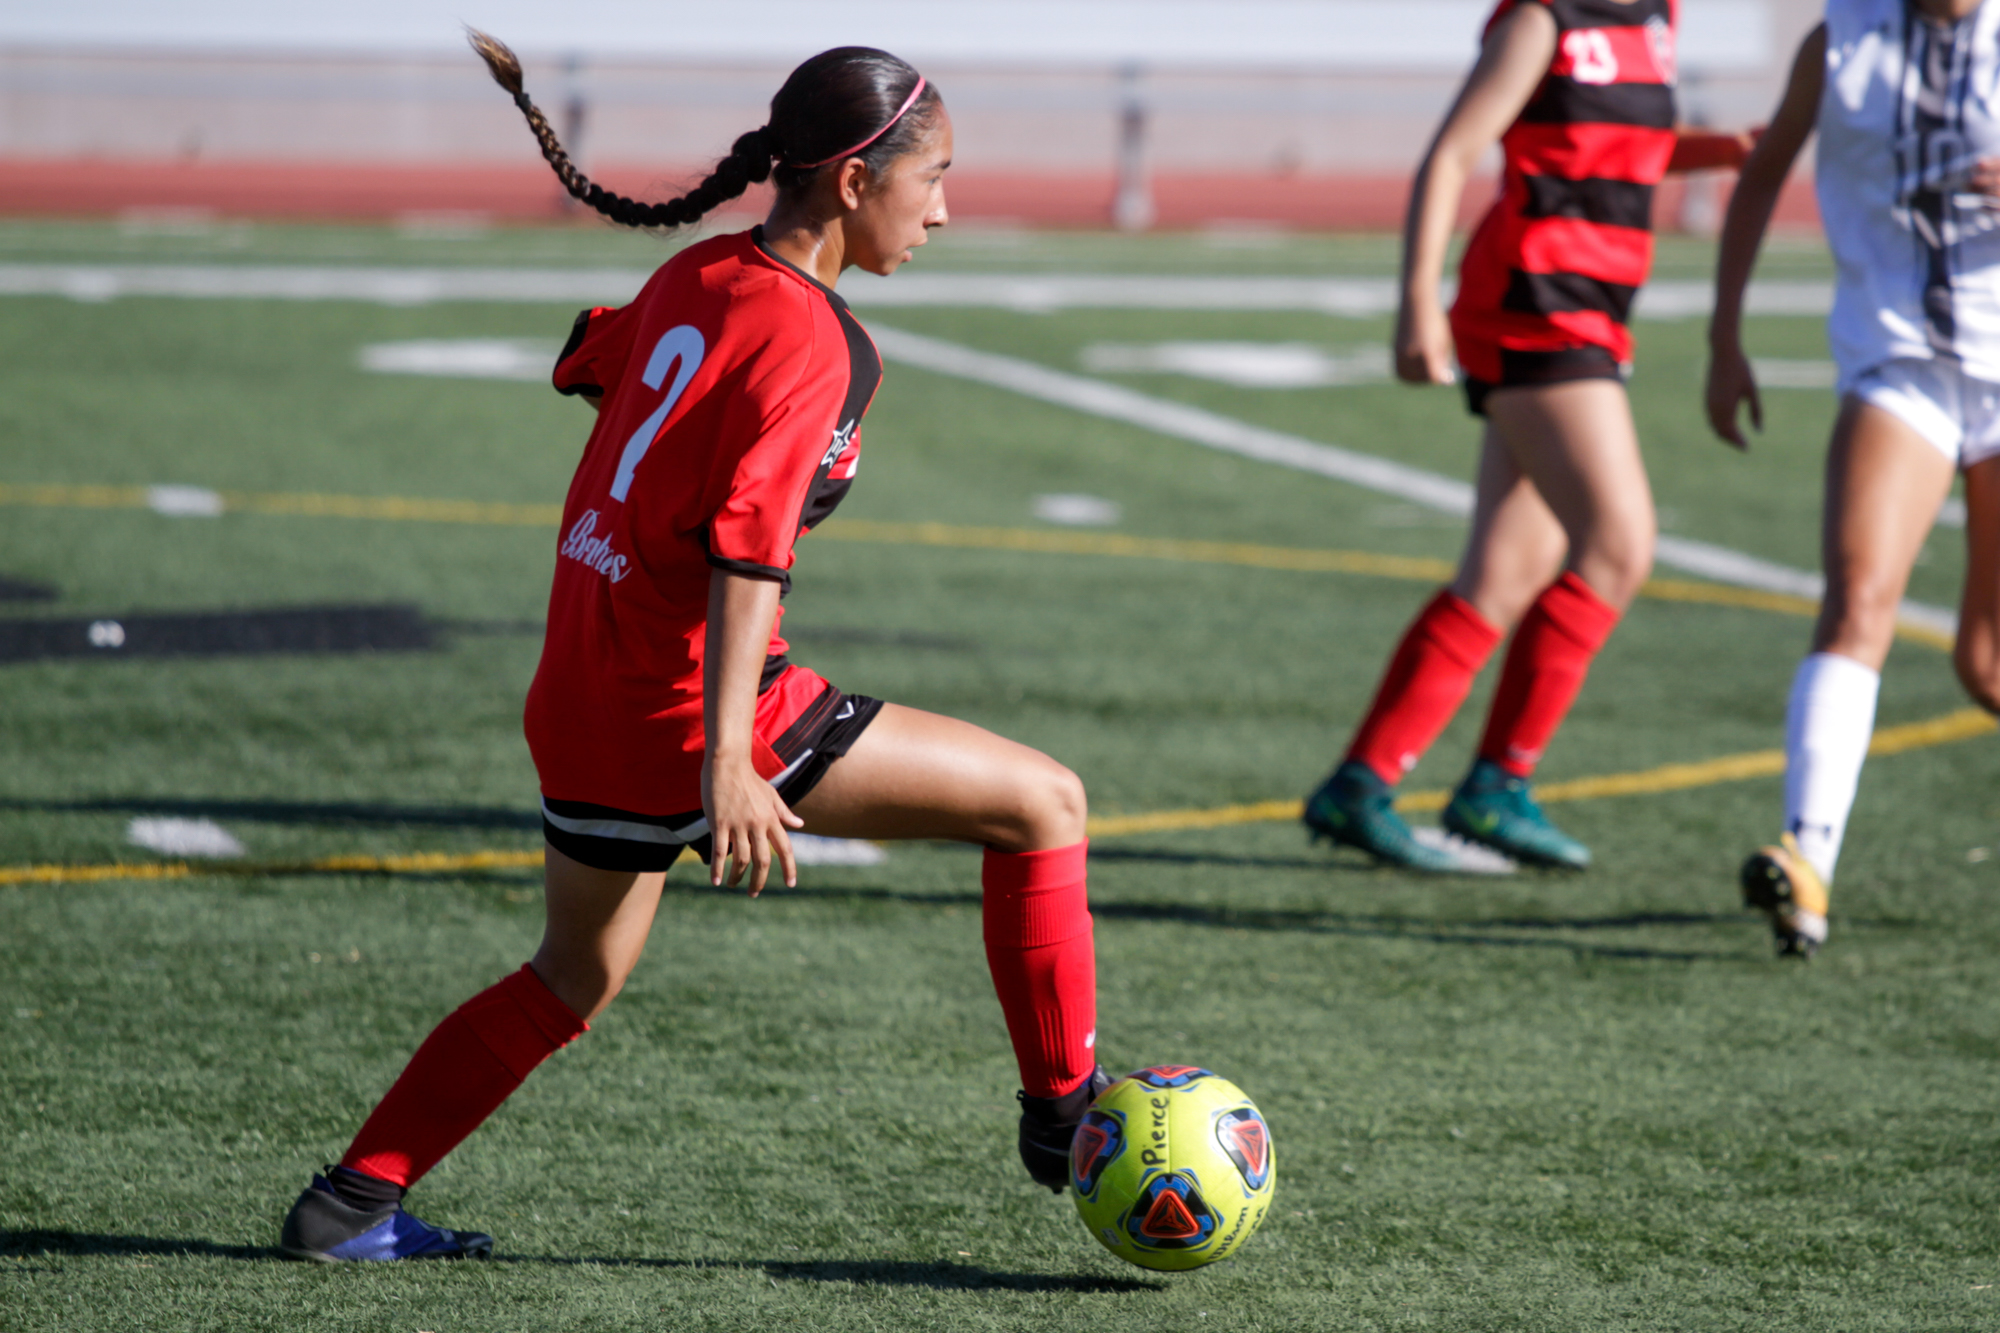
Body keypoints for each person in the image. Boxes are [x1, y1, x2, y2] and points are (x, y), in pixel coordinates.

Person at [278, 33, 1106, 1263]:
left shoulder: (698, 274)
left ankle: (347, 1203)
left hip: (579, 696)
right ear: (852, 181)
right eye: (932, 178)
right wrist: (727, 756)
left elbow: (586, 358)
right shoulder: (820, 342)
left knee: (568, 978)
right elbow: (746, 550)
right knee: (1045, 802)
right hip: (692, 709)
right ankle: (1066, 1120)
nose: (944, 208)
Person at [1303, 0, 1754, 872]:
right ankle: (1497, 782)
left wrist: (1724, 148)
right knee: (1618, 547)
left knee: (1505, 573)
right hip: (1535, 304)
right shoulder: (1543, 20)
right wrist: (1415, 305)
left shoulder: (1656, 18)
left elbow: (1620, 152)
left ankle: (1361, 783)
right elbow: (1453, 155)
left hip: (1593, 307)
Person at [1708, 0, 2000, 957]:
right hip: (1901, 362)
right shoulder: (1843, 37)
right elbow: (1760, 176)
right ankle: (1808, 863)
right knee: (1856, 600)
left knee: (1986, 661)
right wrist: (1724, 336)